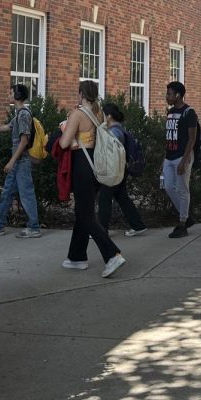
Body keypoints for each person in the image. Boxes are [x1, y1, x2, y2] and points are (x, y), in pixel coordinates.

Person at [57, 80, 126, 277]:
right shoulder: (99, 113)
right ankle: (76, 257)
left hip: (81, 166)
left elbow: (63, 144)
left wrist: (64, 127)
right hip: (95, 164)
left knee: (85, 215)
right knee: (83, 212)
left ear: (81, 94)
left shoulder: (78, 114)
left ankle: (112, 254)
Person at [0, 84, 41, 237]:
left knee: (26, 194)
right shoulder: (19, 114)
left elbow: (24, 140)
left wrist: (11, 161)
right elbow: (7, 127)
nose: (8, 95)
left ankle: (34, 228)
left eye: (10, 92)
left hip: (22, 161)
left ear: (17, 95)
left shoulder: (23, 114)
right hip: (17, 161)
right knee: (7, 192)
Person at [97, 102, 147, 237]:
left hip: (114, 170)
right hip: (121, 169)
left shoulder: (114, 132)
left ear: (108, 116)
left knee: (104, 198)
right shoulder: (121, 129)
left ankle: (102, 230)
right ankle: (138, 225)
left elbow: (109, 152)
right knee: (121, 197)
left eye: (102, 114)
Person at [163, 81, 198, 238]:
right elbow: (168, 136)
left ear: (177, 95)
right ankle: (187, 215)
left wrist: (184, 161)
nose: (167, 97)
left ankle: (182, 223)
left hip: (182, 156)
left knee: (183, 189)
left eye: (169, 94)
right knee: (169, 187)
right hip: (169, 156)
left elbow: (192, 139)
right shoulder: (170, 112)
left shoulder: (189, 112)